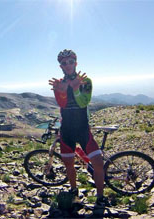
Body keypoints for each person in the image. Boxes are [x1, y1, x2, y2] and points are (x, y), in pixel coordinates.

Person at [49, 49, 107, 208]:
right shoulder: (59, 83)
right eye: (64, 63)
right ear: (60, 66)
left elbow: (84, 102)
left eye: (70, 62)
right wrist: (60, 91)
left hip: (82, 128)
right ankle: (74, 190)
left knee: (98, 163)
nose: (67, 65)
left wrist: (74, 88)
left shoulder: (85, 80)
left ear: (76, 63)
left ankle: (101, 196)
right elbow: (61, 104)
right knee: (69, 164)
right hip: (67, 129)